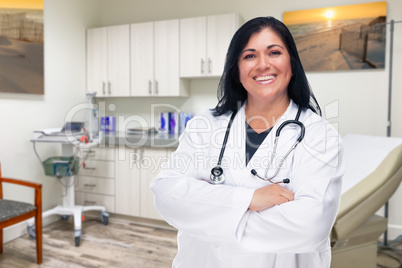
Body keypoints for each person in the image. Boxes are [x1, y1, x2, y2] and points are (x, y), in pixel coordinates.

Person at [151, 16, 345, 268]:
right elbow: (167, 195)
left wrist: (207, 211)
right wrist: (249, 200)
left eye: (274, 52)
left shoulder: (320, 135)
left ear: (292, 63)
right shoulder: (205, 124)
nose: (262, 64)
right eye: (249, 56)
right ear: (237, 68)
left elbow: (310, 225)